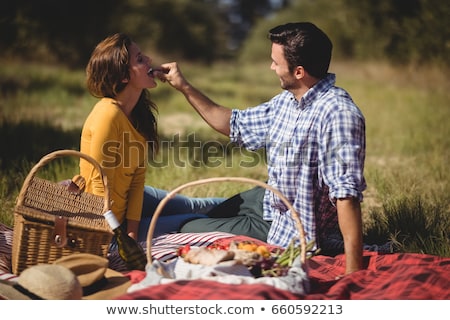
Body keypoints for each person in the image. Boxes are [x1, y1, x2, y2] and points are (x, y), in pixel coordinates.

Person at [159, 22, 366, 275]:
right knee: (166, 204)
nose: (271, 67)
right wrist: (184, 86)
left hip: (282, 228)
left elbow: (346, 195)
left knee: (176, 227)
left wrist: (353, 273)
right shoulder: (287, 102)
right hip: (266, 199)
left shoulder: (338, 114)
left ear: (299, 71)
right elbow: (234, 124)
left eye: (275, 62)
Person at [79, 33, 224, 242]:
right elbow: (100, 186)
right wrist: (125, 235)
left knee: (200, 205)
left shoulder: (138, 115)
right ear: (124, 76)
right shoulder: (107, 115)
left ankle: (263, 204)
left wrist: (133, 229)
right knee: (195, 219)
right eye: (140, 59)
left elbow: (137, 180)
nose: (149, 60)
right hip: (107, 224)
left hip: (132, 200)